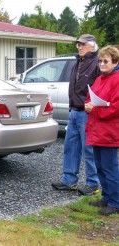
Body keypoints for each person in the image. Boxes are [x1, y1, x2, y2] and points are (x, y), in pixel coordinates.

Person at [52, 34, 101, 195]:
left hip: (88, 113)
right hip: (73, 111)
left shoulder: (97, 63)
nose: (79, 47)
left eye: (83, 44)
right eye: (78, 44)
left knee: (89, 149)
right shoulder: (77, 63)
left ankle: (93, 183)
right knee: (70, 147)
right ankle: (69, 180)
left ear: (92, 46)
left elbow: (101, 89)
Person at [85, 45, 119, 216]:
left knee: (110, 168)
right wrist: (88, 105)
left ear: (115, 61)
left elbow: (115, 108)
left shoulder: (117, 79)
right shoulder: (100, 79)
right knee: (99, 167)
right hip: (97, 130)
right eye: (100, 61)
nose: (101, 64)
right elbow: (90, 97)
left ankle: (115, 202)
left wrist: (95, 109)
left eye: (105, 61)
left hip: (110, 132)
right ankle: (106, 197)